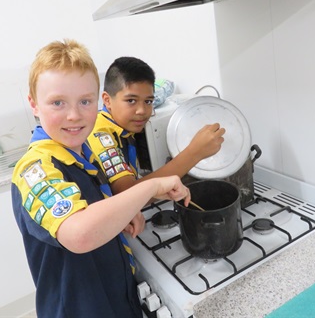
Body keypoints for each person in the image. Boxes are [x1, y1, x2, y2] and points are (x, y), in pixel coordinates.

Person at [11, 39, 191, 318]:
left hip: (113, 299)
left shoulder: (82, 152)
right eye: (57, 102)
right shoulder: (36, 169)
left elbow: (94, 208)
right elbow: (79, 234)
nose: (74, 115)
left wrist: (120, 215)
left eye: (85, 101)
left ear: (97, 100)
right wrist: (151, 188)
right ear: (34, 104)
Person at [87, 56, 225, 238]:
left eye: (148, 101)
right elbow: (127, 193)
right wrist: (194, 153)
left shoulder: (121, 126)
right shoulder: (101, 134)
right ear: (106, 100)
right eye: (131, 101)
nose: (142, 111)